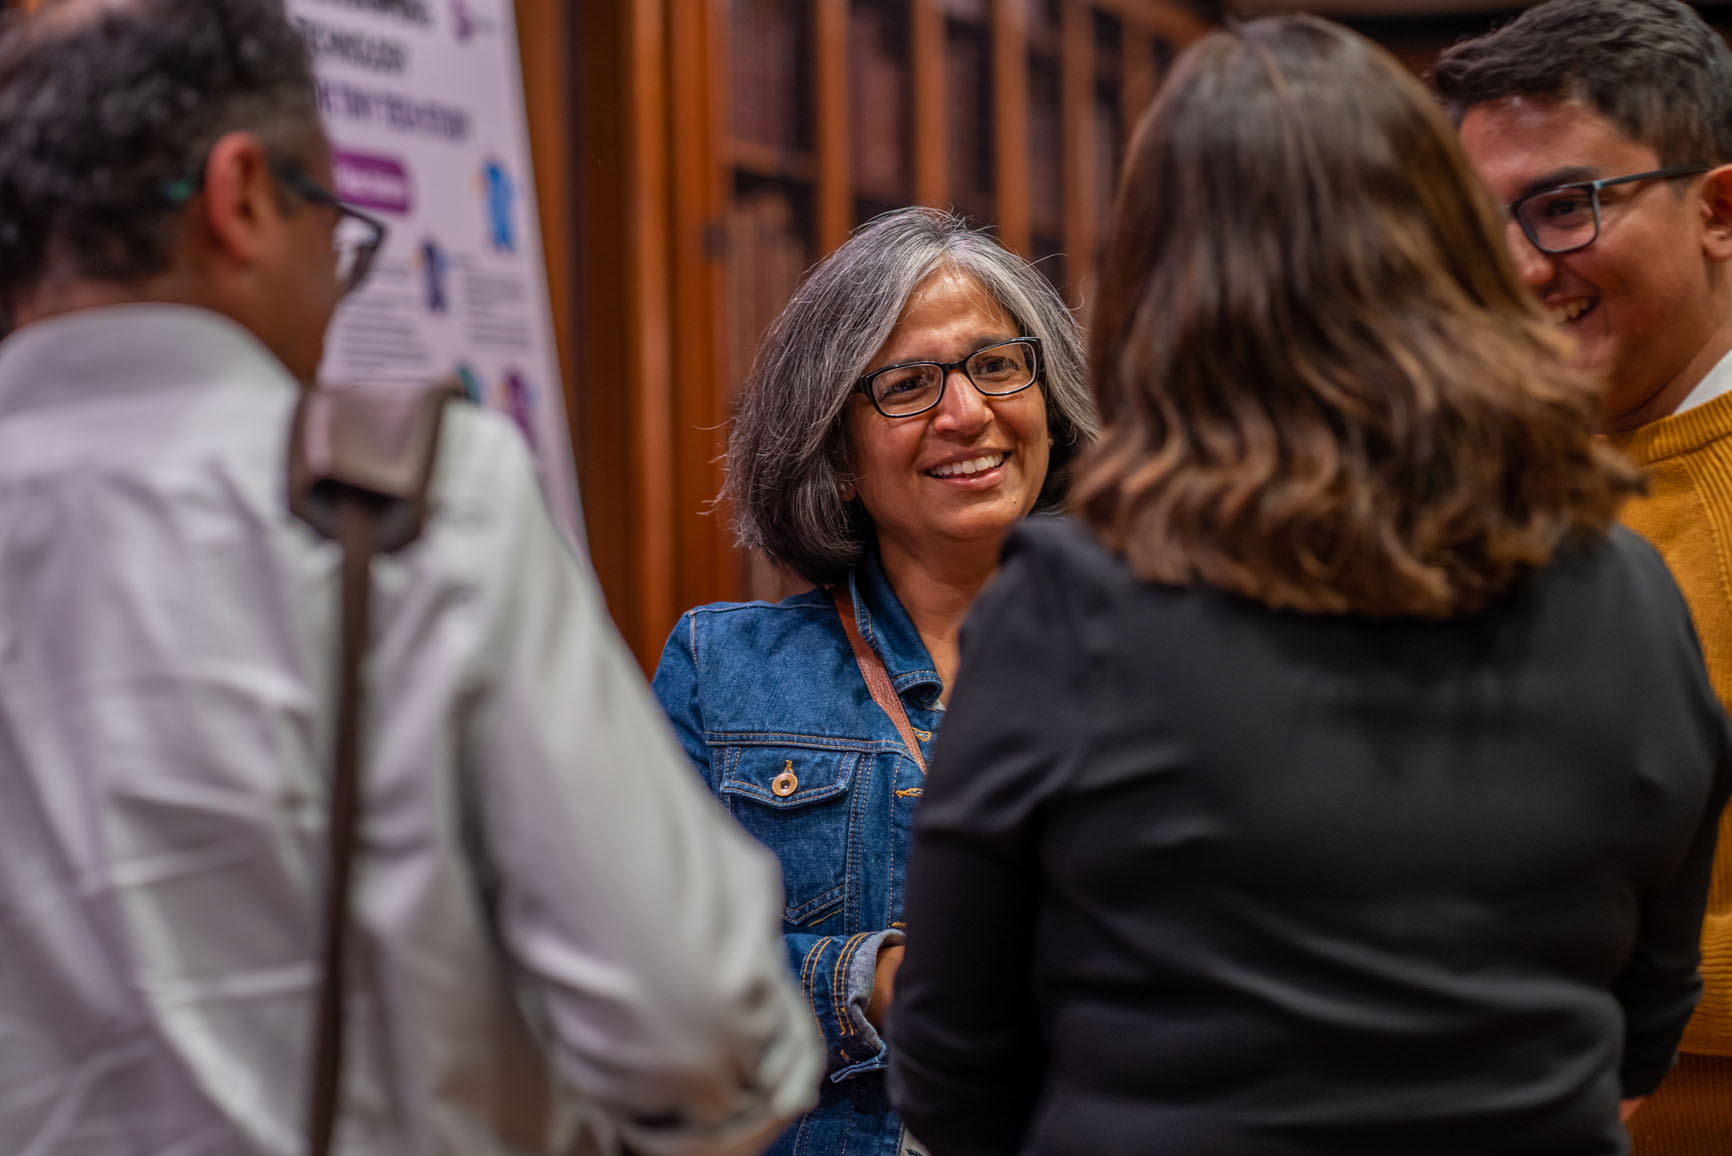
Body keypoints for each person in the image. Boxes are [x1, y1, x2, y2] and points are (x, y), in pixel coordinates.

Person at [887, 16, 1732, 1156]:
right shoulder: (1624, 586)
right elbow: (1643, 1013)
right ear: (1442, 257)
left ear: (1156, 279)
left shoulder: (1066, 603)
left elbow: (952, 1071)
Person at [0, 3, 821, 1154]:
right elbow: (694, 1031)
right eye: (330, 229)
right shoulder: (413, 502)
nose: (336, 295)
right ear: (242, 197)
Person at [651, 206, 1098, 1156]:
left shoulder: (1156, 653)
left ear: (1047, 399)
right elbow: (649, 970)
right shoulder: (720, 670)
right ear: (839, 456)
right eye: (906, 384)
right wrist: (877, 982)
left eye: (994, 364)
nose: (965, 413)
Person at [1434, 3, 1732, 1149]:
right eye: (1481, 227)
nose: (1516, 269)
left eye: (1562, 208)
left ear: (1715, 212)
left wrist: (1532, 959)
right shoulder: (1462, 500)